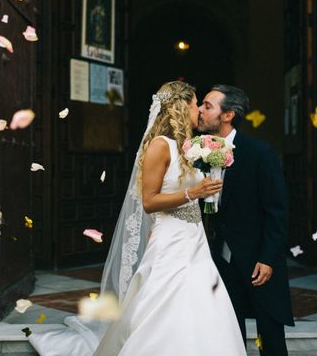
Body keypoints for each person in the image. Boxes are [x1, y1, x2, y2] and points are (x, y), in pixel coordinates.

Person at [94, 81, 246, 355]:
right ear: (181, 106)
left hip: (194, 239)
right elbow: (150, 201)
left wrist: (207, 189)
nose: (199, 109)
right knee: (167, 302)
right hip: (171, 241)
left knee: (204, 304)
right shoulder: (159, 146)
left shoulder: (188, 147)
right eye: (195, 103)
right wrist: (194, 192)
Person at [198, 85, 293, 356]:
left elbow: (277, 210)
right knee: (228, 331)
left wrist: (268, 258)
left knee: (270, 333)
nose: (200, 111)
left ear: (227, 115)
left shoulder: (259, 153)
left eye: (207, 106)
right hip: (219, 261)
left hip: (256, 259)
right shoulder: (198, 152)